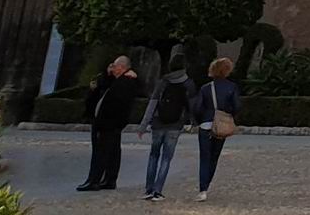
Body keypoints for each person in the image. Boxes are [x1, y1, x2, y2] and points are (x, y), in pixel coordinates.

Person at [79, 56, 141, 192]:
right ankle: (107, 179)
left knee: (101, 152)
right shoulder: (115, 80)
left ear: (122, 67)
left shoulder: (126, 82)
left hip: (109, 123)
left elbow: (119, 104)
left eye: (115, 66)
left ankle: (95, 180)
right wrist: (107, 74)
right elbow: (100, 85)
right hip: (108, 122)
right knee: (111, 152)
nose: (112, 68)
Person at [140, 54, 194, 201]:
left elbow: (152, 104)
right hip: (175, 125)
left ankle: (148, 189)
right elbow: (191, 106)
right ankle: (158, 190)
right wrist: (191, 122)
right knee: (166, 158)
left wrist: (144, 125)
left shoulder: (163, 82)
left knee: (153, 156)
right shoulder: (188, 83)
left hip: (158, 123)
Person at [188, 57, 241, 203]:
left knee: (204, 157)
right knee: (214, 157)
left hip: (206, 124)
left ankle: (202, 189)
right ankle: (207, 185)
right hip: (221, 124)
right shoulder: (232, 87)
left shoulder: (206, 88)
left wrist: (199, 121)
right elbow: (237, 106)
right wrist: (229, 114)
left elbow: (198, 107)